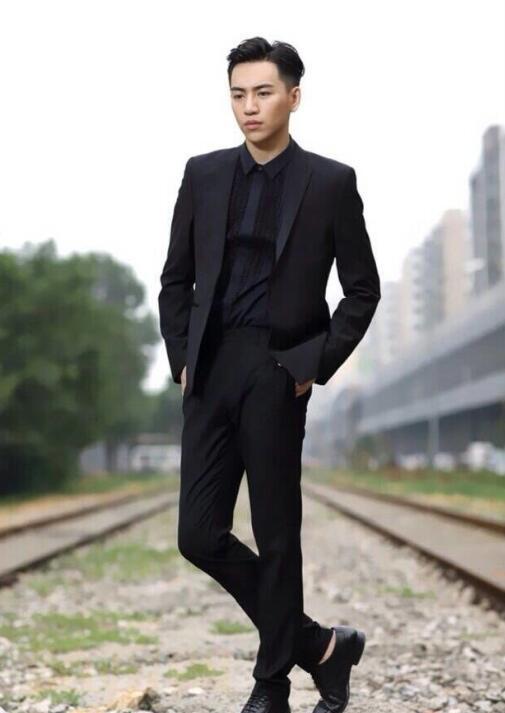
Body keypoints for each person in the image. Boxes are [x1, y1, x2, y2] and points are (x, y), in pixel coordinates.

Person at [158, 36, 380, 713]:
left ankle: (271, 685)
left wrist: (312, 364)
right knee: (198, 534)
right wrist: (183, 356)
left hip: (279, 371)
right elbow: (175, 280)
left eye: (262, 92)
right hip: (211, 368)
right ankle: (320, 645)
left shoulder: (329, 183)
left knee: (277, 532)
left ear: (293, 96)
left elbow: (361, 290)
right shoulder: (202, 174)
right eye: (237, 94)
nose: (248, 107)